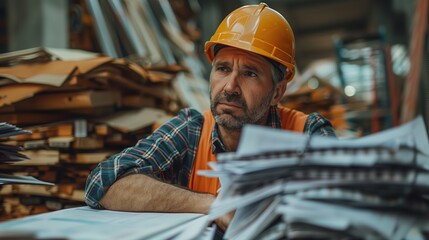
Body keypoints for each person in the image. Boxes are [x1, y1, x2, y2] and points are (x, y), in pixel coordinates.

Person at [85, 2, 336, 231]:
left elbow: (344, 204)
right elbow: (103, 182)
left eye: (250, 73)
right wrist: (214, 204)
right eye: (223, 69)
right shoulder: (192, 129)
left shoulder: (308, 133)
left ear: (277, 92)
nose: (229, 87)